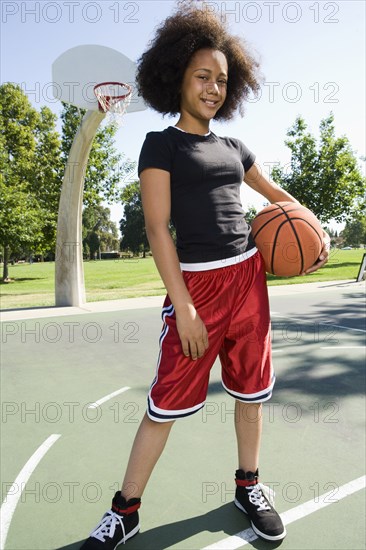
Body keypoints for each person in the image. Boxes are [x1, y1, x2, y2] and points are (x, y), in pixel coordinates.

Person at [81, 3, 329, 548]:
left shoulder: (235, 148)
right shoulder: (161, 145)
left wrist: (317, 232)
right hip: (197, 287)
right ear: (177, 78)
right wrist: (185, 305)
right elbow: (157, 230)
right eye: (202, 77)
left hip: (248, 280)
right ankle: (125, 510)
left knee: (250, 394)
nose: (213, 88)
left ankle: (249, 487)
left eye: (221, 79)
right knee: (164, 404)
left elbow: (275, 198)